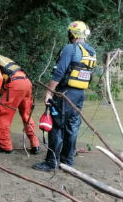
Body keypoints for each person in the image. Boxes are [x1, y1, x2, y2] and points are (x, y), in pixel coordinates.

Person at [33, 21, 96, 171]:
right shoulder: (92, 51)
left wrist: (49, 92)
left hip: (65, 94)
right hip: (79, 95)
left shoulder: (70, 48)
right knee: (72, 127)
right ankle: (67, 161)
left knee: (57, 127)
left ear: (72, 34)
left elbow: (59, 72)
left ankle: (51, 162)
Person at [0, 43, 40, 154]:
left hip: (15, 85)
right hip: (26, 83)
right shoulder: (2, 58)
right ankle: (35, 145)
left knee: (3, 115)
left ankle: (6, 147)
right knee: (26, 115)